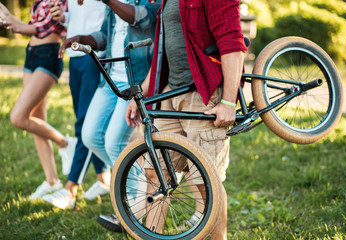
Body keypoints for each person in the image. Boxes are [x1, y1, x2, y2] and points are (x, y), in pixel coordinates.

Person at [125, 0, 247, 239]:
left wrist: (229, 102)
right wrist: (140, 95)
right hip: (172, 94)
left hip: (204, 93)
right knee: (155, 173)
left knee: (206, 183)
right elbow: (162, 53)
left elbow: (232, 43)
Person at [51, 0, 160, 230]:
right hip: (111, 79)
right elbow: (104, 36)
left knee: (113, 142)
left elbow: (141, 18)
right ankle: (142, 180)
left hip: (136, 81)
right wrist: (82, 39)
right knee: (90, 136)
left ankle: (132, 206)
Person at [0, 0, 78, 200]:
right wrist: (9, 17)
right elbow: (30, 27)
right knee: (36, 119)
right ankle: (51, 181)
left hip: (48, 56)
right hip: (31, 54)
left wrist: (16, 25)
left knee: (18, 117)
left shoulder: (59, 2)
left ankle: (65, 143)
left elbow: (43, 28)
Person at [41, 0, 112, 210]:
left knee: (85, 122)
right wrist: (63, 16)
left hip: (94, 56)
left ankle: (71, 189)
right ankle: (103, 180)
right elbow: (80, 15)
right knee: (82, 118)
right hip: (75, 55)